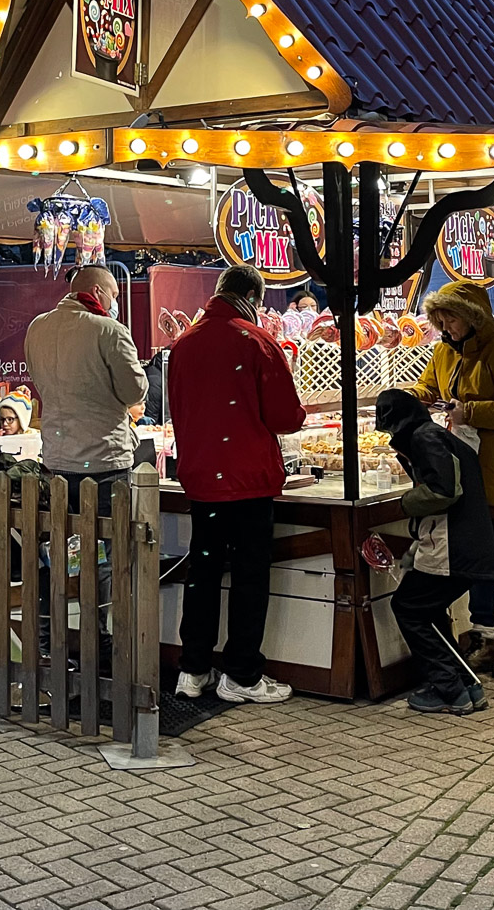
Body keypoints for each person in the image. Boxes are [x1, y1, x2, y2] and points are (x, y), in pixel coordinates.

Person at [167, 263, 306, 705]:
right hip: (248, 481)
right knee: (249, 575)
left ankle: (193, 669)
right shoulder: (258, 341)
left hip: (202, 479)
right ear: (253, 296)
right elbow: (287, 417)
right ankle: (241, 675)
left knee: (203, 571)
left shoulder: (184, 344)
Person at [376, 388, 494, 715]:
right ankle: (466, 685)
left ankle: (449, 690)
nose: (389, 435)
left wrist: (404, 503)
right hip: (469, 546)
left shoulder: (424, 438)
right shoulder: (434, 434)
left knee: (409, 608)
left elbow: (444, 490)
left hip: (452, 547)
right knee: (426, 611)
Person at [415, 281, 494, 674]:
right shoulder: (441, 352)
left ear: (472, 316)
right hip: (464, 477)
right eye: (439, 318)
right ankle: (483, 638)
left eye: (450, 317)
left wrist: (471, 412)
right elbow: (429, 386)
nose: (444, 326)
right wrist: (415, 396)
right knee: (480, 563)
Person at [24, 264, 148, 513]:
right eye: (114, 295)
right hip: (105, 462)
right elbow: (135, 392)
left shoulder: (37, 327)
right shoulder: (110, 331)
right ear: (97, 291)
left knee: (65, 545)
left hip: (56, 460)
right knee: (111, 545)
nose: (115, 302)